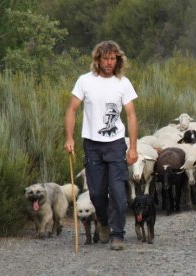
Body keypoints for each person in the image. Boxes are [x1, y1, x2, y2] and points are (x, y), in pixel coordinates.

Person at [64, 40, 138, 250]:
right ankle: (104, 221)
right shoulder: (84, 81)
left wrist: (132, 147)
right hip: (92, 145)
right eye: (105, 58)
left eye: (113, 58)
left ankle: (117, 234)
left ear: (118, 60)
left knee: (117, 191)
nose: (109, 62)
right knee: (96, 192)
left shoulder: (123, 83)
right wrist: (69, 138)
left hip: (115, 145)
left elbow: (131, 115)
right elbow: (71, 110)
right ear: (97, 60)